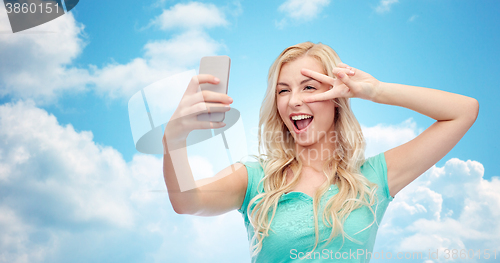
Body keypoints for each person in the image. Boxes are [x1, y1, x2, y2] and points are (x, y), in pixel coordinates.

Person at [162, 42, 479, 262]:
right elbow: (187, 200)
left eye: (309, 87)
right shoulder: (256, 179)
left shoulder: (373, 179)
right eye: (283, 90)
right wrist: (173, 138)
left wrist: (376, 90)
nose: (293, 100)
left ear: (337, 97)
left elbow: (463, 111)